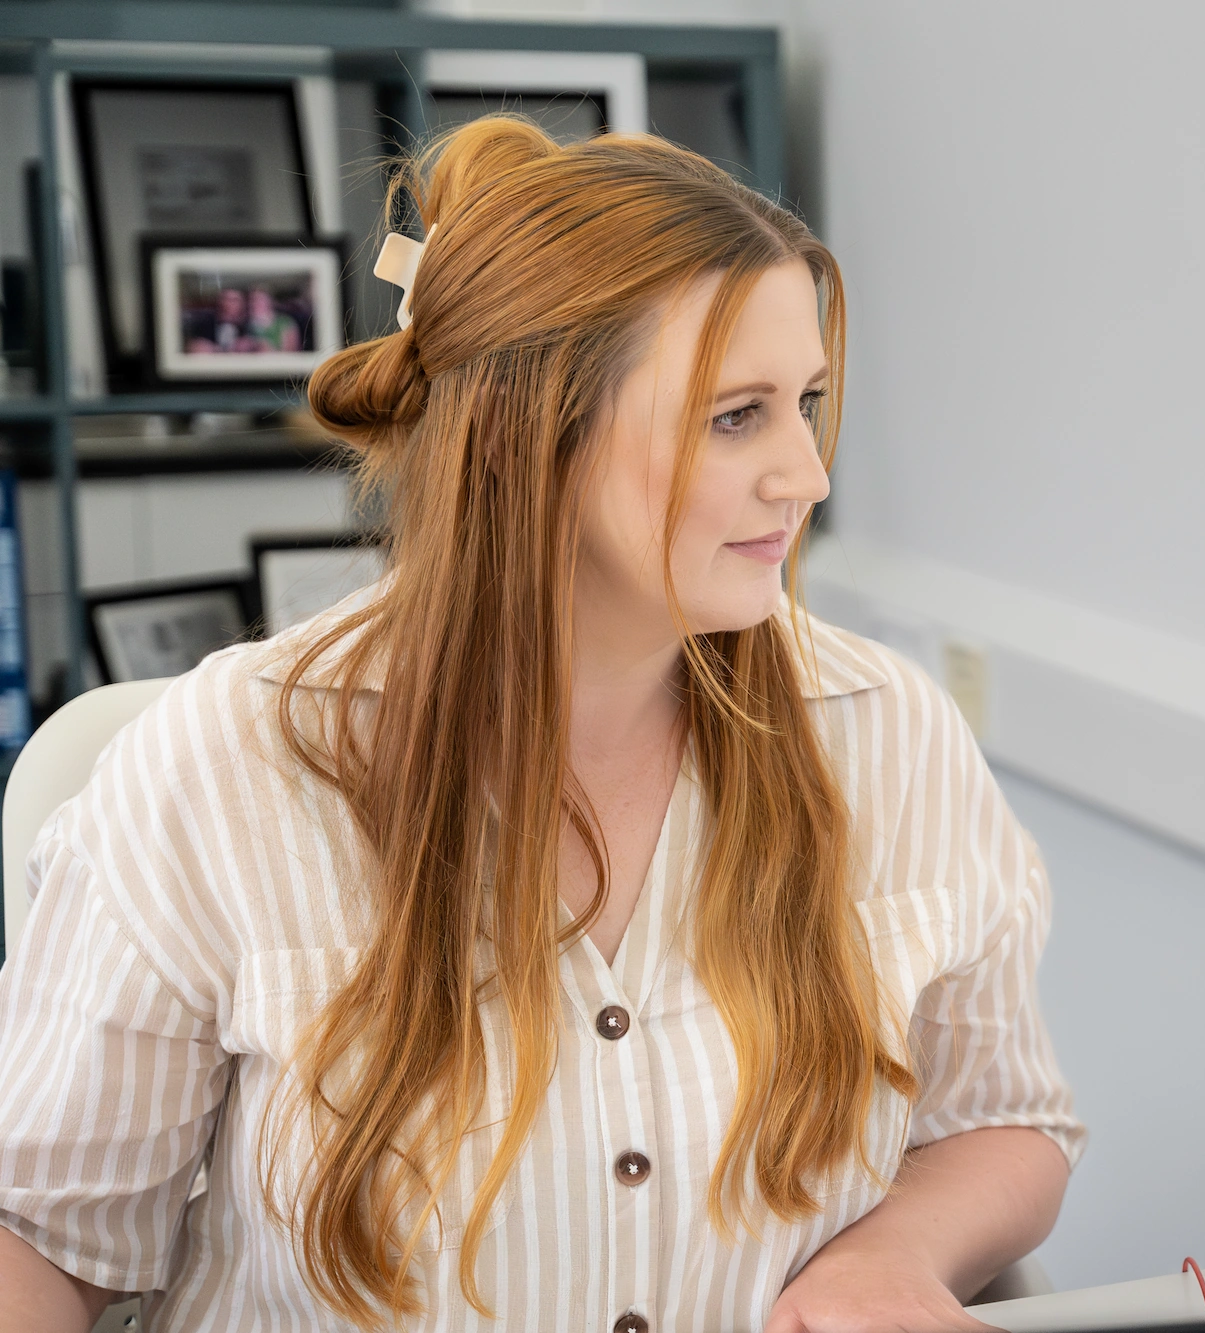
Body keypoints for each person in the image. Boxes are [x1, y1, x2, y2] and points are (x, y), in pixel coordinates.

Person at [0, 117, 1082, 1332]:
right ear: (530, 437)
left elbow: (1000, 1115)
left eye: (807, 403)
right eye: (738, 416)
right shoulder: (217, 768)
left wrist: (895, 1256)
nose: (806, 474)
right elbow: (46, 1238)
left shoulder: (886, 733)